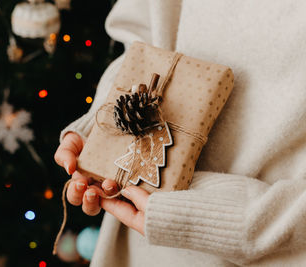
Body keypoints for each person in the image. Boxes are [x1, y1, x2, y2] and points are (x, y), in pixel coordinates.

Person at [54, 0, 306, 266]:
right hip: (146, 240)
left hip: (278, 252)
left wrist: (247, 222)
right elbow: (141, 40)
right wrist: (102, 129)